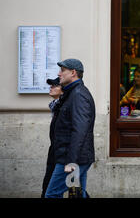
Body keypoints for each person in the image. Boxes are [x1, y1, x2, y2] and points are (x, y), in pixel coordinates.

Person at [45, 59, 95, 198]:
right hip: (73, 157)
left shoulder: (78, 95)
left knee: (52, 194)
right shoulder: (72, 93)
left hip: (72, 158)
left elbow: (80, 130)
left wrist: (71, 161)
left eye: (62, 70)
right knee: (78, 194)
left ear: (73, 73)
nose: (59, 74)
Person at [41, 77, 63, 198]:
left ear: (62, 90)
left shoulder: (62, 106)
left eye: (55, 86)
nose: (51, 88)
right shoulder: (55, 105)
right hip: (55, 149)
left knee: (51, 189)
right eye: (51, 85)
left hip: (61, 152)